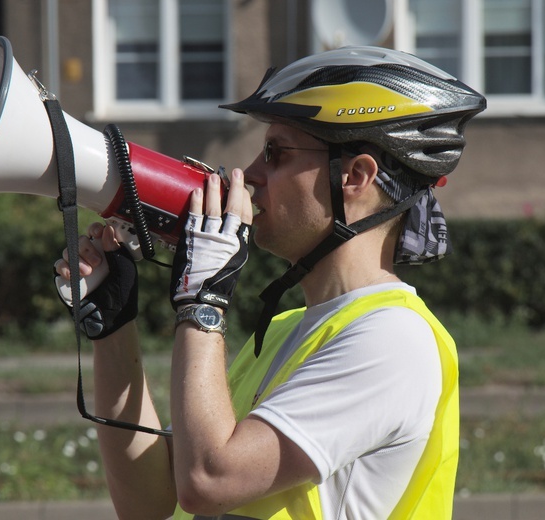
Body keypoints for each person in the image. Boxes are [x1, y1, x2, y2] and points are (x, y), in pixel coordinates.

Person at [54, 46, 486, 519]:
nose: (250, 175)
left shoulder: (391, 339)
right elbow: (151, 505)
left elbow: (209, 480)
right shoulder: (286, 331)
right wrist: (114, 333)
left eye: (274, 153)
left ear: (355, 177)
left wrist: (203, 300)